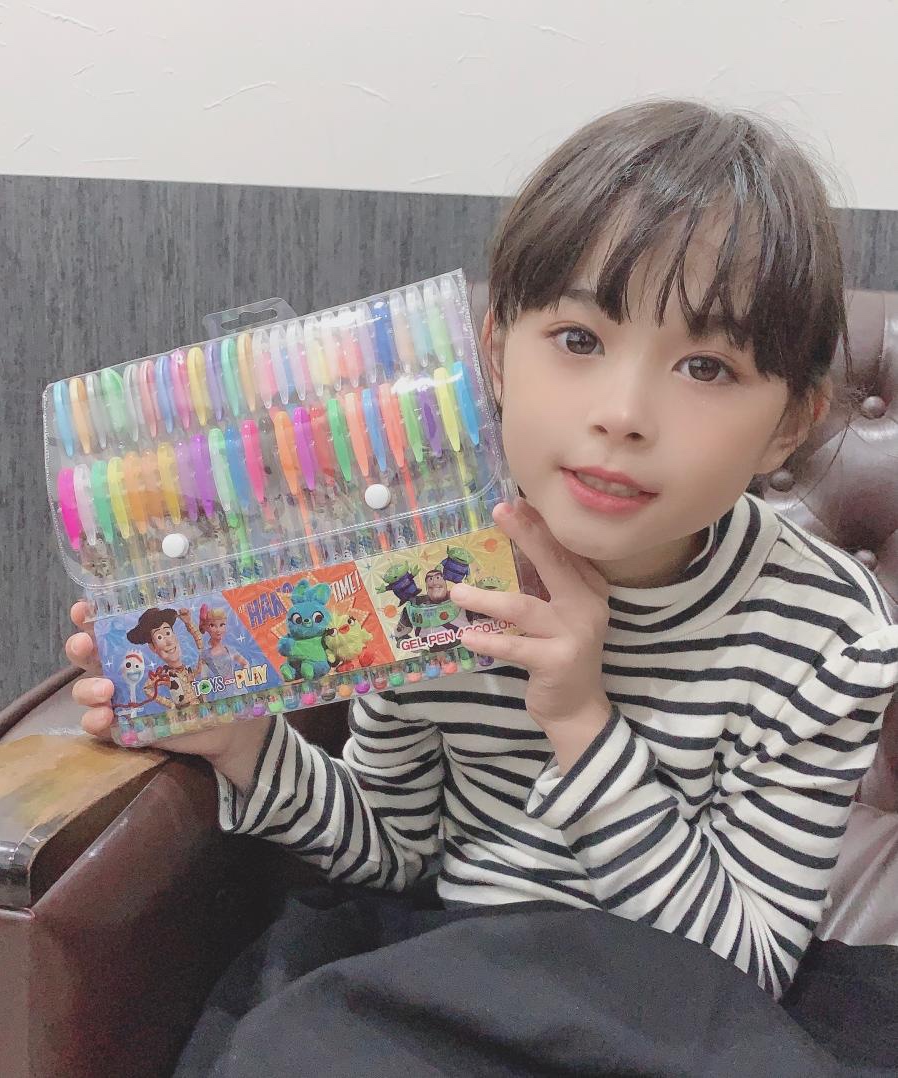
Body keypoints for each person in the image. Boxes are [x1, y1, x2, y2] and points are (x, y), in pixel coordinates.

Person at [65, 99, 898, 1074]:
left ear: (789, 425)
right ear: (496, 351)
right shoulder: (428, 563)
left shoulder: (827, 631)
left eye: (705, 367)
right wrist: (246, 746)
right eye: (579, 340)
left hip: (682, 1018)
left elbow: (745, 969)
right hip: (452, 979)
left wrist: (580, 717)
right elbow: (392, 846)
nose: (624, 413)